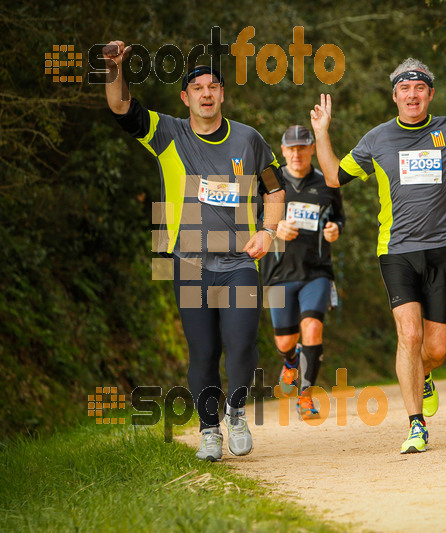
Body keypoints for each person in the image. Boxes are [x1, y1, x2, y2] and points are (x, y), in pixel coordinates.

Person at [309, 58, 446, 453]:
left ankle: (424, 376)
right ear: (395, 96)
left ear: (430, 94)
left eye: (419, 88)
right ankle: (415, 425)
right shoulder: (377, 139)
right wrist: (322, 133)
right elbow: (335, 176)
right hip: (397, 251)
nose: (412, 95)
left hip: (443, 251)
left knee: (435, 349)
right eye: (404, 89)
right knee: (409, 334)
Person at [103, 42, 285, 461]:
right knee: (202, 351)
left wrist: (268, 230)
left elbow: (274, 188)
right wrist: (114, 69)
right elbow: (120, 107)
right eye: (198, 88)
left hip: (240, 262)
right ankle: (209, 431)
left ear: (222, 94)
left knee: (241, 346)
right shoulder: (168, 133)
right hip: (188, 263)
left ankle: (235, 413)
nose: (206, 93)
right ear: (185, 98)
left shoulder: (250, 139)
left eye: (214, 86)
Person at [262, 125, 345, 420]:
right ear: (283, 151)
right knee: (284, 341)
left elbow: (337, 218)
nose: (297, 153)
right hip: (278, 273)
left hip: (316, 271)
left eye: (302, 147)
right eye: (291, 148)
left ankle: (306, 396)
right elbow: (249, 216)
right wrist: (273, 227)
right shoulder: (270, 180)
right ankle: (290, 359)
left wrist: (335, 230)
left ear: (311, 149)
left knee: (312, 327)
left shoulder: (328, 182)